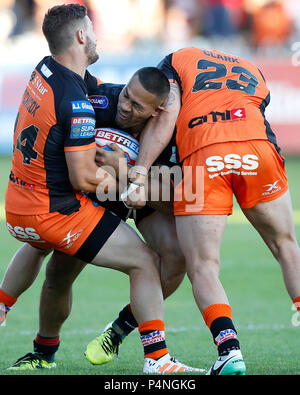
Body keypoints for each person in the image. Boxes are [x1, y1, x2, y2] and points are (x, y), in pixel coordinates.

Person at [2, 5, 200, 374]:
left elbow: (185, 197)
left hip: (47, 198)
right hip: (70, 202)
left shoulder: (50, 72)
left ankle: (83, 340)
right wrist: (125, 178)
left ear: (158, 113)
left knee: (163, 258)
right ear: (81, 36)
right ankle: (151, 360)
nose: (124, 107)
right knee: (119, 265)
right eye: (124, 96)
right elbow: (83, 176)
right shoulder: (84, 101)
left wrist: (132, 179)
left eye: (136, 104)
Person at [122, 46, 300, 375]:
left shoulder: (178, 59)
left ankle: (229, 351)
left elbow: (166, 115)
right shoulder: (252, 68)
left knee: (203, 266)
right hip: (256, 147)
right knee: (287, 246)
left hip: (206, 151)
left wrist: (139, 173)